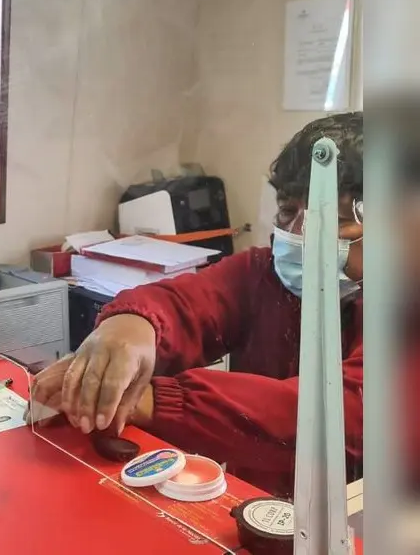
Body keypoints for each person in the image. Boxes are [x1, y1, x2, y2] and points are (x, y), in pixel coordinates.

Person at [31, 112, 364, 498]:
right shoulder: (264, 274)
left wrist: (145, 399)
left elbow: (338, 415)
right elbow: (187, 303)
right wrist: (129, 328)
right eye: (288, 213)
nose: (298, 236)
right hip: (260, 510)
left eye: (333, 221)